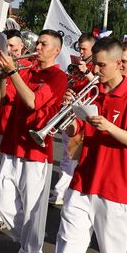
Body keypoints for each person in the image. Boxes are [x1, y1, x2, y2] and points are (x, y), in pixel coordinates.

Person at [30, 39, 127, 253]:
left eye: (101, 64)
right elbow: (77, 132)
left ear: (120, 64)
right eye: (95, 62)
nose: (94, 69)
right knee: (69, 235)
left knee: (111, 243)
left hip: (114, 183)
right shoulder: (93, 90)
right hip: (84, 177)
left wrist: (108, 126)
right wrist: (70, 116)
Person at [0, 29, 67, 253]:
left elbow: (34, 102)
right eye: (37, 42)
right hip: (12, 144)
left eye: (43, 44)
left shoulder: (58, 77)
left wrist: (13, 72)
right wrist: (4, 75)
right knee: (3, 203)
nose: (38, 47)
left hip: (35, 150)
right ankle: (28, 247)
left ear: (55, 51)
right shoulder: (26, 71)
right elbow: (2, 100)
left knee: (33, 209)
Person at [0, 28, 28, 234]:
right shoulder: (0, 67)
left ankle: (16, 220)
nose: (10, 50)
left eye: (13, 47)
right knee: (4, 174)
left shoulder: (28, 68)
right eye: (6, 46)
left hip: (21, 129)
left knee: (17, 177)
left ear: (22, 48)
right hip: (3, 125)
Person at [49, 32, 95, 207]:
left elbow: (101, 86)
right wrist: (68, 91)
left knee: (74, 159)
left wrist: (88, 72)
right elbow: (72, 85)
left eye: (84, 49)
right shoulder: (78, 65)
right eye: (80, 48)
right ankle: (62, 192)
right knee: (68, 157)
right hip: (72, 115)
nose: (81, 53)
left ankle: (64, 193)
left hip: (86, 118)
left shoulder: (97, 66)